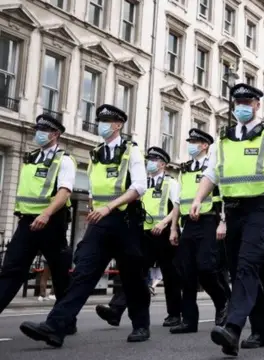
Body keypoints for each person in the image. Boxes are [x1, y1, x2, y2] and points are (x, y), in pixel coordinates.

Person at [191, 83, 264, 356]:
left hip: (261, 209)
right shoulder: (224, 138)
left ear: (258, 104)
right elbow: (211, 174)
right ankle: (261, 328)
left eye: (247, 101)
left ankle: (232, 328)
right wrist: (198, 198)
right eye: (237, 102)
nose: (242, 107)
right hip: (233, 211)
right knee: (240, 270)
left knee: (246, 265)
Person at [20, 104, 151, 347]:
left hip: (125, 220)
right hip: (100, 222)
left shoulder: (131, 151)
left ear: (118, 125)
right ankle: (55, 327)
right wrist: (93, 209)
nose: (101, 125)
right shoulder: (96, 153)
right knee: (83, 272)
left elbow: (140, 187)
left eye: (107, 121)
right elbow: (93, 188)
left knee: (132, 276)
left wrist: (108, 207)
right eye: (100, 120)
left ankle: (141, 324)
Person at [94, 146, 182, 328]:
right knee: (134, 272)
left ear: (163, 164)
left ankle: (174, 314)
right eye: (148, 159)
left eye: (154, 160)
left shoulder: (170, 183)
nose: (149, 163)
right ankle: (116, 310)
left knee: (170, 274)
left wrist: (164, 224)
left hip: (164, 234)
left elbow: (177, 208)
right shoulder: (141, 184)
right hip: (144, 235)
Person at [0, 114, 74, 324]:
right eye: (37, 129)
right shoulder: (30, 158)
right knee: (12, 270)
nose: (38, 134)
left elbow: (64, 191)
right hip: (27, 223)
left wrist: (46, 213)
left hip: (52, 222)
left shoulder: (64, 160)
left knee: (60, 274)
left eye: (44, 130)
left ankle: (65, 320)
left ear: (55, 134)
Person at [170, 128, 229, 334]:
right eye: (190, 141)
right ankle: (189, 321)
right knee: (186, 273)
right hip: (188, 224)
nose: (191, 144)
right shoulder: (184, 169)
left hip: (209, 221)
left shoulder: (213, 167)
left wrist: (223, 222)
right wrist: (173, 228)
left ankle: (223, 302)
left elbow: (223, 197)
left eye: (195, 141)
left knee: (206, 268)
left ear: (205, 145)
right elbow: (178, 201)